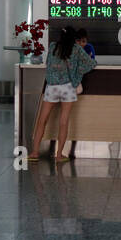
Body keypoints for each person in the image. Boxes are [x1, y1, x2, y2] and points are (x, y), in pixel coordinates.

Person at [29, 25, 96, 163]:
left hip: (52, 87)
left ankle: (35, 152)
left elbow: (48, 63)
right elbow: (90, 64)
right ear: (73, 37)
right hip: (68, 88)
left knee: (42, 120)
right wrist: (78, 71)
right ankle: (59, 155)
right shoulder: (76, 49)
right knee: (63, 122)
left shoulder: (53, 46)